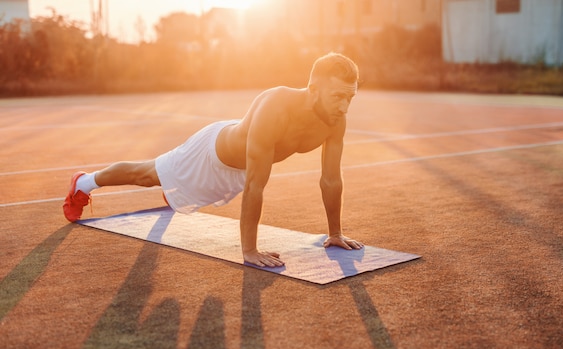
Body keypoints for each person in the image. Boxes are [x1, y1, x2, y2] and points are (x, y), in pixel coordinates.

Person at [63, 52, 363, 267]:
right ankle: (84, 183)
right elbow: (256, 185)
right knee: (147, 175)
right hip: (211, 154)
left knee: (171, 185)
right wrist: (249, 249)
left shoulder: (335, 120)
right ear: (313, 90)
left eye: (350, 97)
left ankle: (173, 192)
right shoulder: (276, 107)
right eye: (338, 96)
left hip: (242, 166)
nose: (345, 106)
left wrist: (334, 233)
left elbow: (330, 179)